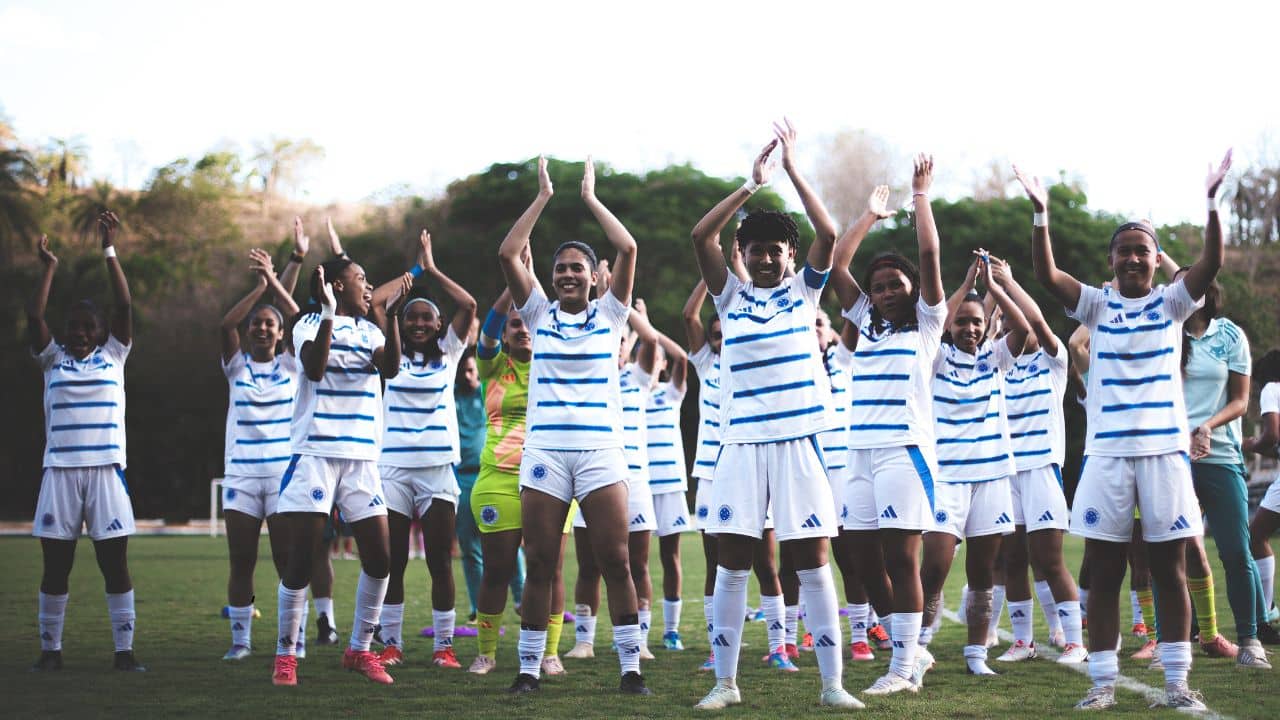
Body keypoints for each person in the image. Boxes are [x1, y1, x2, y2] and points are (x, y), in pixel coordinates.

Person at [1025, 151, 1231, 711]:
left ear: (1156, 259)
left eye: (1144, 250)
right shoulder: (1095, 305)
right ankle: (1102, 684)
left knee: (1170, 569)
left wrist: (1212, 203)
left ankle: (1176, 683)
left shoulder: (1172, 303)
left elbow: (1211, 263)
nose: (1134, 258)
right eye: (1125, 250)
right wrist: (1041, 214)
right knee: (1105, 571)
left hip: (1165, 455)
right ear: (1111, 260)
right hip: (1107, 457)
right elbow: (1046, 275)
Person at [690, 121, 860, 710]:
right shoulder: (729, 297)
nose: (765, 258)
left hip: (799, 444)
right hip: (740, 446)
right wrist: (750, 184)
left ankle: (832, 685)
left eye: (776, 250)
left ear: (790, 256)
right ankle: (725, 683)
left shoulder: (804, 293)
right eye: (755, 250)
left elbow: (829, 232)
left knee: (812, 564)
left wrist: (791, 168)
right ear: (742, 255)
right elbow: (701, 236)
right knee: (732, 565)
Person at [497, 156, 649, 695]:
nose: (566, 274)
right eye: (559, 268)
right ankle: (528, 669)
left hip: (601, 453)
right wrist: (542, 197)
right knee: (540, 562)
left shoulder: (611, 314)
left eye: (576, 268)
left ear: (592, 277)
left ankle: (630, 669)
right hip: (545, 454)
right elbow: (508, 253)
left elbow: (628, 248)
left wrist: (589, 197)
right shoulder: (537, 313)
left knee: (616, 561)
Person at [832, 160, 947, 697]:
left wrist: (920, 196)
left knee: (902, 558)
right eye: (877, 288)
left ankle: (901, 667)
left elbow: (929, 255)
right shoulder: (866, 324)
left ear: (911, 288)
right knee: (859, 556)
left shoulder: (927, 324)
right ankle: (911, 650)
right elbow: (837, 264)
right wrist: (869, 217)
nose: (884, 292)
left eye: (894, 284)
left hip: (904, 451)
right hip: (859, 452)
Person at [270, 257, 409, 687]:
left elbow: (390, 368)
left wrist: (392, 318)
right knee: (302, 560)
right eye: (361, 278)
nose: (368, 286)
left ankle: (359, 650)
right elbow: (314, 368)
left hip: (362, 458)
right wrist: (329, 312)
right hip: (315, 454)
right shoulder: (308, 324)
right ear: (335, 285)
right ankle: (285, 656)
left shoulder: (371, 331)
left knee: (381, 560)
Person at [29, 212, 146, 673]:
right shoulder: (51, 359)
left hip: (106, 472)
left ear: (100, 332)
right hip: (59, 472)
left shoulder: (114, 355)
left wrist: (108, 249)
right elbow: (34, 316)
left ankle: (124, 653)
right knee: (56, 567)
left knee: (114, 565)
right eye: (73, 326)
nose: (79, 332)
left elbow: (124, 305)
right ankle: (50, 652)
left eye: (87, 327)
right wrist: (49, 267)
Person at [915, 252, 1028, 679]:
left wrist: (997, 287)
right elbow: (935, 324)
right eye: (962, 322)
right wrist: (964, 287)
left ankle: (976, 654)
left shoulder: (995, 358)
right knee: (934, 567)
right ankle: (916, 646)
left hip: (991, 478)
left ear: (987, 325)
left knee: (982, 570)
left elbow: (1023, 328)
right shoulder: (937, 358)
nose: (970, 329)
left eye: (977, 322)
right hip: (946, 478)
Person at [373, 229, 477, 669]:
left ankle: (444, 647)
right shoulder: (389, 352)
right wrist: (411, 274)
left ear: (438, 325)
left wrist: (432, 269)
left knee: (439, 561)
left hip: (437, 469)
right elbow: (375, 303)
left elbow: (469, 305)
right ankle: (391, 644)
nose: (418, 323)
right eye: (411, 317)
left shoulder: (450, 353)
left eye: (426, 318)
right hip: (393, 469)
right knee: (392, 561)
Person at [981, 254, 1087, 665]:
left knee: (1049, 560)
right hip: (1007, 474)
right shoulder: (998, 365)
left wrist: (1007, 282)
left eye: (1017, 322)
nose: (1015, 327)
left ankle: (1075, 642)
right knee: (1013, 560)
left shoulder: (1052, 361)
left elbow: (1039, 321)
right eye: (1008, 324)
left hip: (1042, 471)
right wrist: (989, 290)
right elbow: (984, 328)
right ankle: (1023, 641)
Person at [469, 274, 572, 677]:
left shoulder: (553, 364)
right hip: (498, 480)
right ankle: (486, 653)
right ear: (507, 333)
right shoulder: (493, 365)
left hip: (551, 478)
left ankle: (549, 653)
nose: (524, 329)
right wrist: (514, 282)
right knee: (497, 569)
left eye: (529, 322)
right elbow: (488, 328)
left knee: (550, 570)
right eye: (516, 324)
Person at [1175, 267, 1271, 666]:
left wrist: (1206, 427)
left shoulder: (1230, 335)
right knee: (1169, 555)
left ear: (1206, 291)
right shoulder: (1166, 334)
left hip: (1221, 457)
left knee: (1235, 551)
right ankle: (1172, 642)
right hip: (1172, 459)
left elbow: (1240, 401)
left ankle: (1250, 641)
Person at [218, 237, 303, 661]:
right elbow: (225, 326)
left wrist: (283, 272)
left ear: (282, 334)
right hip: (242, 477)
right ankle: (241, 642)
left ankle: (293, 640)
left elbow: (296, 314)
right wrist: (260, 289)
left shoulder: (292, 364)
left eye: (270, 324)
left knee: (287, 559)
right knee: (242, 559)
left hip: (283, 477)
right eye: (257, 323)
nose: (263, 328)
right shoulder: (236, 365)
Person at [566, 282, 659, 662]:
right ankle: (584, 641)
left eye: (622, 341)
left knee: (636, 565)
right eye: (612, 340)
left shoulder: (637, 379)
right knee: (588, 566)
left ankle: (640, 640)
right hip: (594, 479)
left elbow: (651, 341)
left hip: (634, 484)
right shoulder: (588, 376)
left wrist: (618, 301)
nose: (617, 346)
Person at [642, 317, 693, 653]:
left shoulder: (671, 393)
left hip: (670, 485)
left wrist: (650, 328)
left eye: (658, 357)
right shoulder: (628, 390)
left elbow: (682, 358)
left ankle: (671, 631)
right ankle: (638, 631)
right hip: (639, 486)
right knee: (637, 561)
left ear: (661, 364)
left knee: (670, 556)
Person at [1245, 350, 1280, 638]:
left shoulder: (1271, 389)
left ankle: (1267, 611)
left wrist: (1248, 444)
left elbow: (1271, 436)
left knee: (1256, 535)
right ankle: (1269, 609)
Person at [454, 347, 485, 623]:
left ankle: (521, 598)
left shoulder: (488, 392)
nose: (467, 375)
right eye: (462, 371)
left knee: (506, 542)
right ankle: (478, 605)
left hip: (489, 474)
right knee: (469, 546)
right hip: (461, 478)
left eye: (471, 370)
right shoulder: (452, 396)